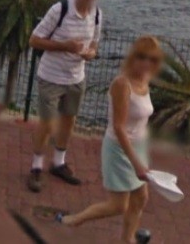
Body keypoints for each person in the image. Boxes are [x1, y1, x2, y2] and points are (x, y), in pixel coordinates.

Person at [54, 35, 163, 243]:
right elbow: (119, 127)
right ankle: (72, 221)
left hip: (137, 147)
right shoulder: (122, 84)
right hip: (120, 150)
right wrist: (136, 163)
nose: (146, 63)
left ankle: (127, 239)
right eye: (141, 57)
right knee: (118, 205)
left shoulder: (146, 79)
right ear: (133, 57)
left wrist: (143, 152)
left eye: (152, 59)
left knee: (141, 198)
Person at [26, 0, 105, 191]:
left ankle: (59, 163)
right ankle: (36, 167)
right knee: (47, 123)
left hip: (76, 77)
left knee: (69, 121)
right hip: (51, 76)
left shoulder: (96, 14)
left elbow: (95, 44)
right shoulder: (59, 10)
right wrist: (65, 46)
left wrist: (90, 54)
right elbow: (34, 40)